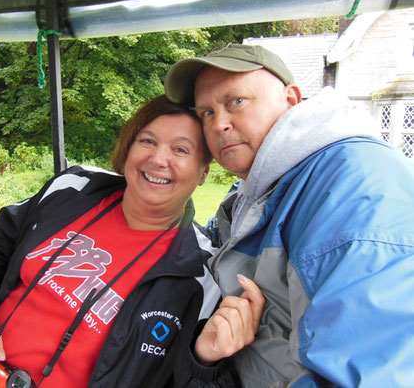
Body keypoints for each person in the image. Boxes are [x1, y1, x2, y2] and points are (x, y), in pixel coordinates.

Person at [0, 95, 265, 388]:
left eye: (181, 149)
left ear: (203, 172)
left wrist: (204, 362)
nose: (158, 159)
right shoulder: (73, 188)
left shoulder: (201, 277)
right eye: (146, 141)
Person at [164, 43, 414, 387]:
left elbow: (368, 372)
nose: (219, 123)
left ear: (292, 99)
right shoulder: (257, 191)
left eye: (236, 101)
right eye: (206, 112)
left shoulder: (350, 186)